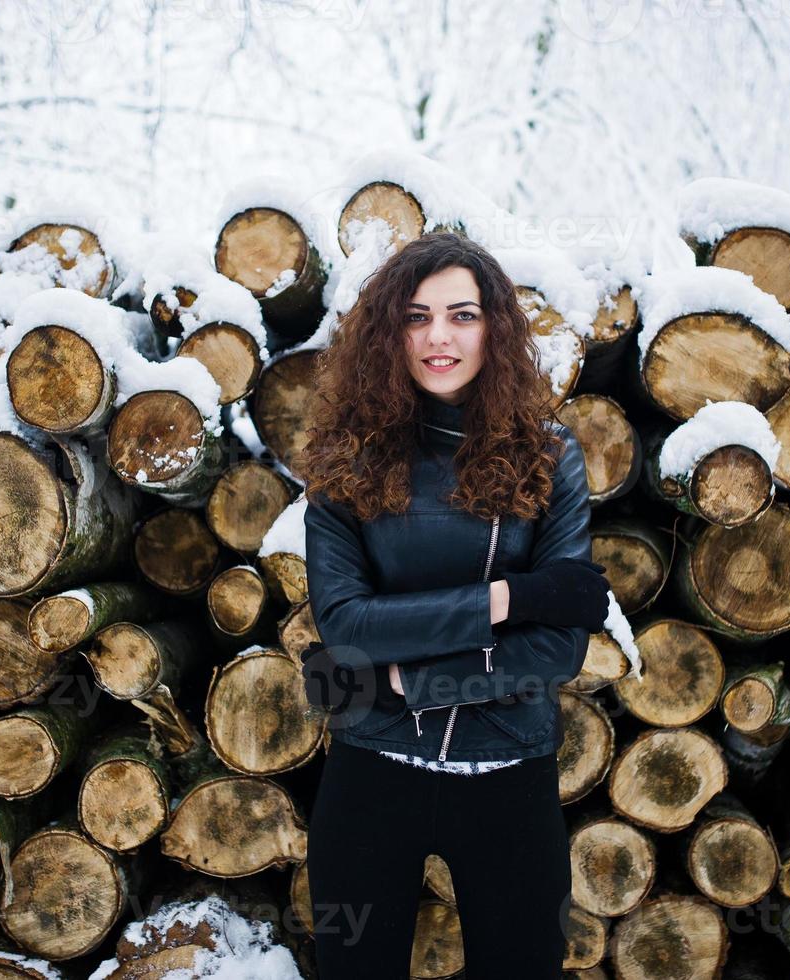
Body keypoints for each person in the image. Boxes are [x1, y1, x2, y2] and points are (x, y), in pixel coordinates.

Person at [296, 231, 610, 978]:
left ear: (494, 328)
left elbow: (558, 649)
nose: (438, 336)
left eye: (461, 314)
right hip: (371, 777)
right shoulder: (345, 461)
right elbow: (346, 626)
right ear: (385, 334)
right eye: (414, 316)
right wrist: (512, 595)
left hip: (508, 776)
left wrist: (402, 684)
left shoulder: (548, 455)